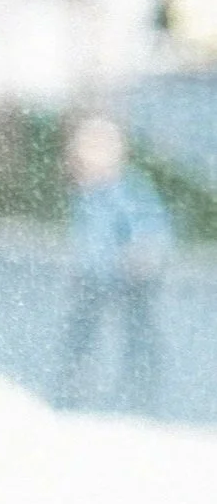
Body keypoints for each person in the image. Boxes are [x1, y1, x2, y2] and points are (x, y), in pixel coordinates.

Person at [59, 114, 173, 412]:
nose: (88, 162)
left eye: (98, 152)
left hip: (127, 275)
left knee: (136, 330)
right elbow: (86, 236)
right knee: (83, 330)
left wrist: (143, 252)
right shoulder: (87, 192)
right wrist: (78, 267)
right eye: (84, 152)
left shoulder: (125, 189)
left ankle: (139, 388)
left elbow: (150, 224)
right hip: (93, 276)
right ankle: (77, 383)